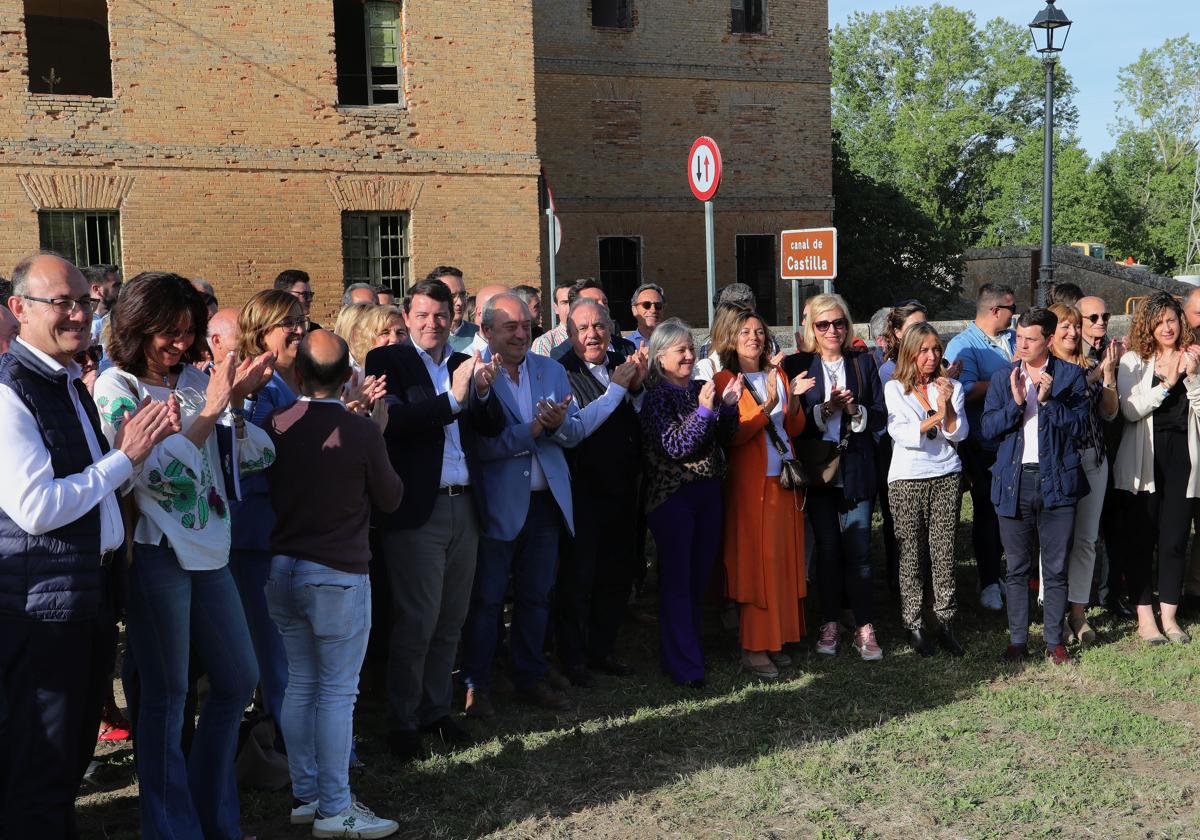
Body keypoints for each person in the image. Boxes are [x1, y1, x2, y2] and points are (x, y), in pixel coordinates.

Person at [0, 253, 177, 838]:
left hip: (88, 590)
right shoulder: (11, 394)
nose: (79, 313)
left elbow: (96, 484)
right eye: (62, 303)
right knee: (41, 763)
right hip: (42, 606)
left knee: (71, 753)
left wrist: (130, 454)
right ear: (19, 309)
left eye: (84, 301)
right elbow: (37, 508)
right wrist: (123, 456)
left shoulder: (68, 379)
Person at [94, 271, 275, 839]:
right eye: (166, 332)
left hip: (210, 552)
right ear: (135, 326)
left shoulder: (195, 383)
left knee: (236, 680)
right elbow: (151, 475)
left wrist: (234, 407)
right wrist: (207, 414)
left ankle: (212, 811)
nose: (178, 343)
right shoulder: (115, 387)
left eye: (187, 331)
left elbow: (258, 457)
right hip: (157, 556)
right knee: (168, 698)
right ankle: (171, 827)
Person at [264, 330, 403, 839]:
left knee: (301, 684)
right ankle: (334, 806)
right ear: (350, 377)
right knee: (337, 693)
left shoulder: (274, 421)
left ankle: (309, 796)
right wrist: (377, 431)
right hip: (337, 575)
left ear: (296, 373)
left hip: (284, 569)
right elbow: (390, 498)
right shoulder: (360, 430)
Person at [363, 280, 503, 755]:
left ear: (453, 315)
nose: (431, 324)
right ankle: (402, 721)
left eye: (440, 315)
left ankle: (436, 712)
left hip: (465, 503)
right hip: (418, 507)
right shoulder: (389, 362)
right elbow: (395, 424)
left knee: (451, 617)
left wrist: (481, 393)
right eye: (422, 315)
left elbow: (492, 426)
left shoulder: (465, 362)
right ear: (406, 315)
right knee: (417, 619)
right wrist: (453, 401)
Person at [461, 293, 585, 713]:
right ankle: (477, 684)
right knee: (488, 599)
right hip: (497, 504)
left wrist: (556, 426)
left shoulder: (551, 370)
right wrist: (530, 430)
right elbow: (479, 447)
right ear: (486, 331)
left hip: (545, 504)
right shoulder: (477, 377)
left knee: (536, 596)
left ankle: (529, 677)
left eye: (526, 325)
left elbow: (572, 435)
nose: (520, 333)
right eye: (509, 326)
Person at [981, 307, 1090, 665]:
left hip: (1056, 481)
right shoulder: (1003, 378)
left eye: (1030, 338)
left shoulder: (1071, 376)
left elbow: (1081, 429)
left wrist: (1047, 402)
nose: (1021, 343)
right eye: (1018, 336)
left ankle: (1054, 642)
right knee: (1015, 566)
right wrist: (1015, 404)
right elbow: (987, 430)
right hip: (1014, 482)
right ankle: (1017, 642)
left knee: (1055, 567)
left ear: (1048, 339)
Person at [784, 293, 888, 661]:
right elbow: (790, 421)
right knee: (828, 551)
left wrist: (854, 409)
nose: (832, 330)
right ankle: (829, 621)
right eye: (823, 324)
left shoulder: (863, 363)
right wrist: (824, 410)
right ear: (811, 328)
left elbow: (879, 415)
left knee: (859, 552)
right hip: (818, 471)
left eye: (839, 323)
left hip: (856, 468)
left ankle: (864, 626)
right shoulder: (798, 363)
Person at [227, 290, 310, 749]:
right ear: (261, 330)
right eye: (287, 322)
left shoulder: (292, 378)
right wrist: (318, 412)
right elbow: (248, 453)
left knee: (298, 647)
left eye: (301, 319)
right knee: (277, 651)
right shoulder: (254, 382)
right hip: (257, 533)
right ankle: (293, 750)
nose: (299, 328)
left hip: (292, 527)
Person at [713, 309, 813, 679]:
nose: (754, 337)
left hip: (784, 480)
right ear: (731, 338)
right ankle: (754, 648)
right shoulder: (726, 379)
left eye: (759, 330)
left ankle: (777, 640)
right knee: (758, 565)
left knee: (783, 562)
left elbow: (794, 428)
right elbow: (734, 436)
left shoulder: (778, 373)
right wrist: (767, 406)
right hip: (751, 487)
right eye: (745, 332)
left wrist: (795, 400)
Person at [641, 319, 740, 685]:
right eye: (679, 350)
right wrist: (703, 413)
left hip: (709, 493)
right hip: (673, 499)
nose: (688, 356)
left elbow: (725, 439)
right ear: (660, 357)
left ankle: (689, 649)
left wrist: (727, 408)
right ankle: (684, 665)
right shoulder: (656, 398)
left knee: (699, 577)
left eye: (689, 348)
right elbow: (676, 445)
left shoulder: (702, 387)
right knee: (678, 581)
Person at [554, 299, 646, 686]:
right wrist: (616, 389)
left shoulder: (623, 358)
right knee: (579, 578)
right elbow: (575, 430)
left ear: (611, 328)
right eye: (583, 328)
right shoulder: (561, 369)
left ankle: (603, 649)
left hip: (625, 488)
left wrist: (637, 388)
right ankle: (573, 659)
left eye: (599, 326)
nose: (592, 335)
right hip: (584, 490)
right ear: (570, 333)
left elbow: (641, 412)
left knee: (617, 573)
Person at [1115, 293, 1200, 645]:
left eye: (1172, 320)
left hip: (1183, 455)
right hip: (1144, 457)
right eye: (1159, 321)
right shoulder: (1134, 360)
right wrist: (1166, 384)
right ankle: (1145, 617)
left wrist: (1192, 378)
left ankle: (1170, 615)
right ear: (1147, 325)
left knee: (1175, 538)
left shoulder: (1193, 357)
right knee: (1142, 537)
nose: (1167, 327)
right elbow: (1130, 410)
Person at [884, 323, 967, 657]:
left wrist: (944, 404)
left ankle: (945, 622)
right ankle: (913, 623)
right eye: (924, 350)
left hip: (946, 473)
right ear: (910, 353)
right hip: (907, 478)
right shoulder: (895, 389)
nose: (931, 357)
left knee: (944, 550)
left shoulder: (952, 386)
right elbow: (902, 434)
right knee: (911, 553)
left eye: (936, 349)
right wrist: (934, 416)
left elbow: (957, 433)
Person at [1045, 304, 1119, 645]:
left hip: (1094, 459)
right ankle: (1054, 615)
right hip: (1060, 463)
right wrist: (1091, 377)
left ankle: (1078, 613)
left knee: (1087, 541)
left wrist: (1107, 376)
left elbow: (1108, 413)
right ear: (1051, 332)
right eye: (1065, 326)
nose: (1073, 332)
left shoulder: (1091, 364)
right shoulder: (1044, 369)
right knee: (1057, 544)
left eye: (1076, 326)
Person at [945, 283, 1017, 611]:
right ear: (994, 310)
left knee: (1010, 514)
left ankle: (1002, 574)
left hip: (1015, 441)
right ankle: (987, 579)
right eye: (1011, 309)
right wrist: (1011, 378)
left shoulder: (1014, 338)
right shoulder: (963, 344)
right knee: (987, 513)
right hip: (983, 444)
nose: (1015, 315)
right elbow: (963, 391)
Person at [874, 303, 927, 595]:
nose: (922, 333)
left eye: (924, 325)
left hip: (926, 458)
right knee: (900, 524)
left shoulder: (933, 365)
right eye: (913, 327)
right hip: (895, 455)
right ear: (897, 333)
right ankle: (900, 581)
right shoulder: (888, 371)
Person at [427, 266, 477, 351]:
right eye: (452, 296)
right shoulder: (425, 335)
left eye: (462, 295)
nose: (460, 302)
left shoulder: (478, 335)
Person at [84, 264, 122, 353]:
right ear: (97, 289)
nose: (121, 290)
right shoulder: (77, 322)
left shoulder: (122, 319)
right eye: (116, 286)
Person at [627, 283, 665, 352]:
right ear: (634, 310)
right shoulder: (624, 345)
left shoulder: (674, 342)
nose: (653, 310)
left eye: (658, 305)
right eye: (646, 305)